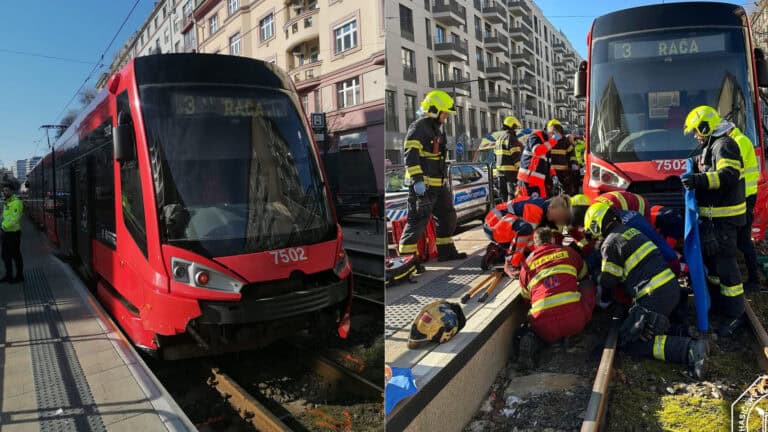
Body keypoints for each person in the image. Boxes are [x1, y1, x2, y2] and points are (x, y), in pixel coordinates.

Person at [585, 202, 707, 379]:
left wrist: (597, 273)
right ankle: (684, 332)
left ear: (596, 226)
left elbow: (609, 281)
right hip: (670, 288)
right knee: (647, 328)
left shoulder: (610, 244)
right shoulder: (631, 231)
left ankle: (689, 350)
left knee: (631, 340)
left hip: (654, 294)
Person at [681, 106, 747, 336]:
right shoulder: (711, 146)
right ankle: (719, 307)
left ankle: (735, 315)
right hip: (713, 221)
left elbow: (729, 176)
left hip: (725, 220)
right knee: (715, 268)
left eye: (696, 131)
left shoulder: (724, 145)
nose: (696, 136)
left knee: (727, 269)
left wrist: (698, 180)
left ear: (706, 126)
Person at [398, 90, 467, 263]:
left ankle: (445, 251)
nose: (446, 117)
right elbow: (410, 155)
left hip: (438, 184)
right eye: (445, 113)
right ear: (435, 110)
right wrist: (417, 180)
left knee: (447, 217)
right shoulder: (419, 127)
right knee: (417, 222)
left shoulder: (436, 128)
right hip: (424, 185)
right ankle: (406, 261)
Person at [517, 228, 596, 366]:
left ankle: (538, 339)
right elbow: (584, 274)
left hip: (543, 326)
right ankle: (578, 331)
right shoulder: (567, 252)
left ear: (535, 244)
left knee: (537, 310)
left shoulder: (526, 265)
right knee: (587, 283)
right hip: (575, 321)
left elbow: (525, 298)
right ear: (553, 240)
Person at [726, 121, 760, 292]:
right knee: (742, 239)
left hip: (743, 196)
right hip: (745, 194)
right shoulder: (741, 139)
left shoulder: (737, 142)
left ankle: (753, 279)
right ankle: (751, 277)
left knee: (743, 240)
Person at [517, 126, 557, 199]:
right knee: (530, 206)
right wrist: (552, 141)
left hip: (538, 181)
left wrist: (553, 175)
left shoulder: (547, 143)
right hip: (529, 180)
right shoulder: (535, 136)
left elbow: (548, 163)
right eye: (553, 132)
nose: (554, 135)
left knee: (540, 205)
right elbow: (537, 150)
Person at [547, 119, 579, 196]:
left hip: (563, 172)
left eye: (556, 130)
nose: (554, 133)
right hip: (552, 172)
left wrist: (573, 164)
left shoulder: (565, 141)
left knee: (565, 192)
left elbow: (571, 154)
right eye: (552, 131)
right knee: (552, 192)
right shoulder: (548, 141)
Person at [494, 116, 523, 201]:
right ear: (512, 126)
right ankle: (511, 212)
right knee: (512, 195)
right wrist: (520, 170)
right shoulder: (511, 138)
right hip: (510, 173)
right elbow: (516, 156)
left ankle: (505, 212)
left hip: (500, 172)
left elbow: (495, 155)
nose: (516, 130)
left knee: (503, 195)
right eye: (515, 127)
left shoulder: (499, 138)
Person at [1, 183, 23, 283]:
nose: (4, 192)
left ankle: (19, 276)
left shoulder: (16, 202)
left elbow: (15, 218)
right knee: (5, 255)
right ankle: (8, 276)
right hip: (6, 233)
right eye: (3, 190)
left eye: (6, 190)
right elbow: (5, 216)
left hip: (13, 233)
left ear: (11, 191)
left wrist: (4, 226)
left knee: (15, 255)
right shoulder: (6, 202)